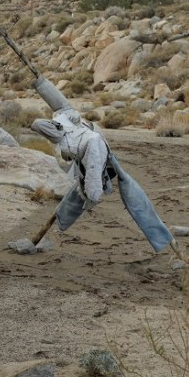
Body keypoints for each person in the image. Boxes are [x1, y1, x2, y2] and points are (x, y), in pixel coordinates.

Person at [29, 78, 173, 253]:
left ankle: (162, 239)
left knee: (135, 200)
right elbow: (56, 106)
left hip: (95, 155)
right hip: (90, 154)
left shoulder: (87, 139)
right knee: (126, 197)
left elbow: (93, 167)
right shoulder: (70, 120)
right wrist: (39, 83)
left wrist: (92, 194)